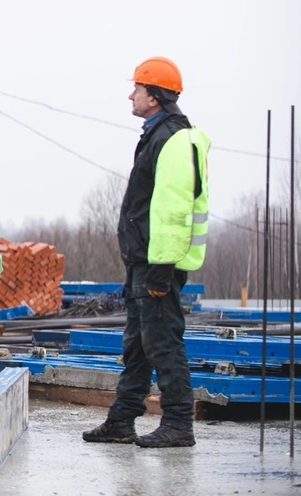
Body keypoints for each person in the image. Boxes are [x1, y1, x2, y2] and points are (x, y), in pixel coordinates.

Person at [83, 56, 210, 448]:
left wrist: (159, 269)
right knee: (137, 345)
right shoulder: (157, 134)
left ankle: (178, 424)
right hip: (143, 261)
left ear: (154, 96)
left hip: (158, 264)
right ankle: (122, 420)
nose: (130, 95)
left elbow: (173, 211)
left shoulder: (173, 138)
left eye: (136, 88)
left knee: (162, 342)